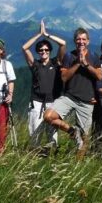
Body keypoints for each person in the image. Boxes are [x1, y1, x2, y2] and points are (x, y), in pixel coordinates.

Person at [38, 28, 102, 157]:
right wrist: (78, 63)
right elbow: (64, 77)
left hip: (87, 100)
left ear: (88, 41)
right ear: (75, 41)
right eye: (78, 39)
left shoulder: (94, 56)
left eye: (84, 39)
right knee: (48, 116)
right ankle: (72, 131)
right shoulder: (69, 56)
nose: (81, 42)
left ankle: (78, 167)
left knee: (84, 138)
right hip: (69, 97)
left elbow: (99, 76)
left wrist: (86, 64)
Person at [22, 20, 65, 150]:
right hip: (36, 103)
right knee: (35, 133)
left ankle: (52, 154)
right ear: (38, 52)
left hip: (52, 102)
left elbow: (63, 44)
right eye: (41, 50)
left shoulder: (56, 62)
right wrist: (38, 35)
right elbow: (25, 48)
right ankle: (35, 154)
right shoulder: (34, 65)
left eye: (46, 49)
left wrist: (46, 35)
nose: (44, 52)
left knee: (52, 134)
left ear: (50, 51)